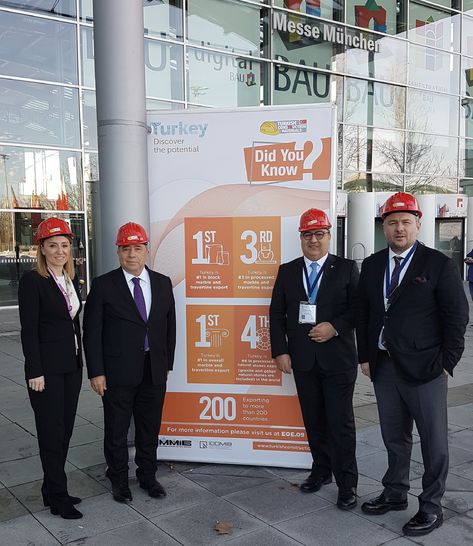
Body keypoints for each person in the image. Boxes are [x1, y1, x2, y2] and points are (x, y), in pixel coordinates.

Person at [356, 192, 468, 537]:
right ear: (384, 227)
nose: (399, 228)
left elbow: (457, 317)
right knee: (394, 436)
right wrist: (365, 356)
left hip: (426, 369)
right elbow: (364, 313)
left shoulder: (438, 264)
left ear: (418, 225)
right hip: (384, 366)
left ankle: (431, 505)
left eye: (406, 222)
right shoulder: (372, 265)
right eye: (392, 222)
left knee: (433, 441)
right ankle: (394, 492)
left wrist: (447, 362)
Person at [269, 208, 359, 510]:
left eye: (319, 233)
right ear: (301, 238)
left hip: (338, 361)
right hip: (303, 360)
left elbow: (358, 309)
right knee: (314, 420)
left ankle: (347, 484)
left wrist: (335, 327)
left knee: (340, 423)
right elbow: (276, 313)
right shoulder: (288, 271)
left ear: (329, 235)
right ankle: (321, 470)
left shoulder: (346, 268)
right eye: (307, 234)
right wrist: (280, 350)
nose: (314, 240)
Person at [83, 222, 176, 503]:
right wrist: (96, 372)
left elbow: (170, 326)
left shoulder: (162, 283)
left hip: (153, 370)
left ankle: (148, 476)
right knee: (117, 430)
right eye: (125, 249)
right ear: (118, 252)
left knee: (149, 428)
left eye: (137, 248)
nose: (132, 254)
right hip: (117, 372)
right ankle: (119, 479)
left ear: (147, 250)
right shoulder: (103, 285)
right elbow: (92, 332)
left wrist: (166, 363)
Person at [18, 218, 83, 519]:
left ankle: (51, 488)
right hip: (46, 371)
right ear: (41, 249)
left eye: (65, 245)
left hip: (71, 366)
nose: (59, 251)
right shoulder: (33, 281)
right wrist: (34, 371)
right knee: (50, 433)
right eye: (53, 245)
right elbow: (29, 330)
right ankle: (59, 497)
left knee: (65, 430)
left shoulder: (70, 278)